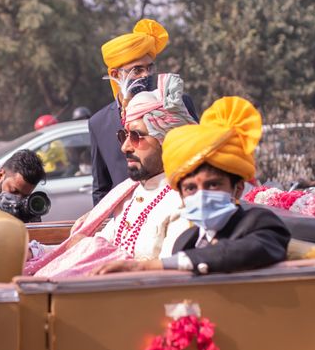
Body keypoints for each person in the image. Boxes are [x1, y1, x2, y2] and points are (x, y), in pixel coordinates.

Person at [25, 74, 196, 278]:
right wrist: (35, 252)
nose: (125, 147)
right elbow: (90, 249)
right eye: (124, 135)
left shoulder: (184, 200)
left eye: (136, 136)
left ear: (167, 140)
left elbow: (169, 279)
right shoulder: (130, 192)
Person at [97, 97, 290, 275]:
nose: (201, 195)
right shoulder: (186, 239)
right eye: (190, 188)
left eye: (212, 185)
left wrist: (149, 266)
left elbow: (242, 251)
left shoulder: (259, 222)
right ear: (181, 195)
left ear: (237, 189)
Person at [88, 19, 197, 205]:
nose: (146, 75)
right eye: (137, 70)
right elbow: (101, 187)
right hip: (127, 220)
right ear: (115, 75)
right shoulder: (99, 123)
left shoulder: (175, 104)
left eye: (149, 68)